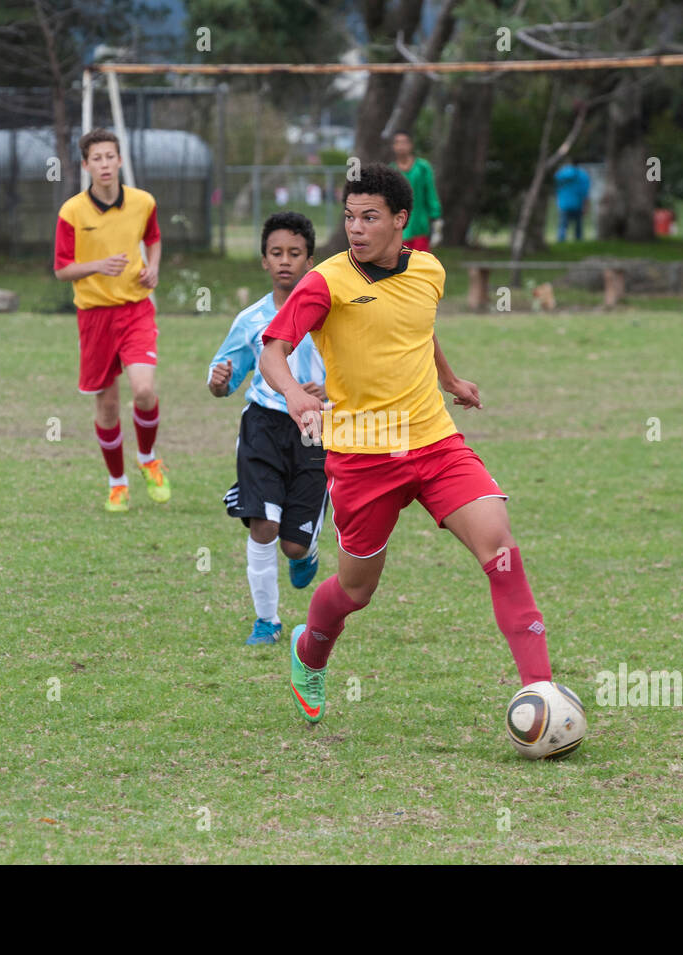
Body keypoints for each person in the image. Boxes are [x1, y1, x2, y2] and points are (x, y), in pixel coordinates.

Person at [258, 162, 555, 724]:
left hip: (433, 439)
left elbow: (418, 325)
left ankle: (542, 693)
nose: (356, 228)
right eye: (349, 217)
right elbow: (272, 349)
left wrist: (448, 377)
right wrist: (295, 394)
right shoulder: (326, 281)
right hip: (363, 452)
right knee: (354, 590)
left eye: (370, 217)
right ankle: (309, 649)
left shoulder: (429, 270)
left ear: (400, 221)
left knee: (500, 548)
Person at [208, 213, 329, 646]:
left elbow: (358, 373)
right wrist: (219, 382)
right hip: (262, 424)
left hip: (315, 430)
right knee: (263, 525)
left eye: (294, 254)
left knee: (292, 547)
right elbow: (223, 377)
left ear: (310, 261)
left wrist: (328, 388)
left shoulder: (330, 317)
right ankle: (267, 620)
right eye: (276, 253)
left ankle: (307, 546)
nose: (285, 261)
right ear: (263, 260)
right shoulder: (251, 319)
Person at [54, 128, 170, 511]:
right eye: (96, 159)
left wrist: (152, 268)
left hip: (136, 310)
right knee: (106, 407)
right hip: (94, 317)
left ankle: (148, 457)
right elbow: (62, 270)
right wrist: (98, 266)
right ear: (85, 165)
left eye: (110, 156)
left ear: (120, 160)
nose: (104, 164)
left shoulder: (143, 202)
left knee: (143, 391)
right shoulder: (72, 212)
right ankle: (117, 482)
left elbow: (153, 238)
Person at [391, 130, 443, 251]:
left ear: (411, 145)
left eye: (404, 142)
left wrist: (436, 220)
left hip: (420, 227)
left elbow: (431, 195)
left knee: (420, 264)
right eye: (398, 143)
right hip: (399, 228)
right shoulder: (391, 170)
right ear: (393, 147)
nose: (401, 146)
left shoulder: (422, 167)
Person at [554, 161, 590, 242]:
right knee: (578, 227)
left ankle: (561, 241)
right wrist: (586, 205)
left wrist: (558, 202)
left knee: (563, 226)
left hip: (564, 204)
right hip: (578, 204)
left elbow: (556, 189)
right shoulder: (583, 175)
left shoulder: (560, 174)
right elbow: (585, 192)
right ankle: (579, 242)